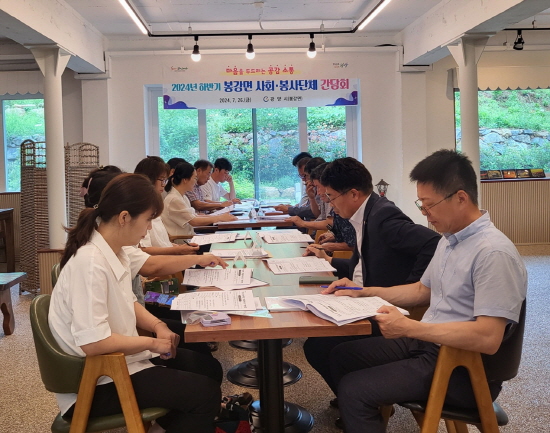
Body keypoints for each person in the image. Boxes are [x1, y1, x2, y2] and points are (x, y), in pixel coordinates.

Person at [324, 150, 527, 433]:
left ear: (460, 198)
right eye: (421, 204)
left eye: (429, 205)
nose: (424, 213)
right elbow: (422, 290)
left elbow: (488, 337)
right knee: (341, 356)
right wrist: (365, 292)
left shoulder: (493, 253)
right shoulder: (450, 239)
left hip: (463, 368)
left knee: (355, 390)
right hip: (431, 344)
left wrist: (410, 327)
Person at [49, 173, 225, 433]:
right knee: (205, 394)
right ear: (124, 218)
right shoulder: (90, 263)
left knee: (208, 368)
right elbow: (94, 342)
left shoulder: (115, 251)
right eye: (148, 220)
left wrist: (157, 326)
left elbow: (126, 301)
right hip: (95, 381)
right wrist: (152, 343)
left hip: (119, 362)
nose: (149, 228)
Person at [302, 157, 441, 405]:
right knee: (316, 331)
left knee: (319, 347)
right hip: (364, 298)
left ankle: (359, 402)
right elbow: (363, 265)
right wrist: (329, 260)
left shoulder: (383, 216)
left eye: (332, 197)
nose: (330, 204)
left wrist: (412, 288)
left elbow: (432, 243)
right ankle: (355, 400)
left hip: (383, 307)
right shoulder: (364, 214)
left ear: (354, 194)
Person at [134, 156, 200, 255]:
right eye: (162, 180)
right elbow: (144, 250)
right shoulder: (139, 209)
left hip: (170, 254)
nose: (164, 184)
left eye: (165, 180)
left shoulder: (153, 205)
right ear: (149, 179)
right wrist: (177, 250)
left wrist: (179, 247)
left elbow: (162, 242)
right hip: (162, 259)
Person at [162, 161, 236, 236]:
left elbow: (194, 215)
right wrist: (219, 218)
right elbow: (194, 221)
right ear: (185, 180)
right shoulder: (174, 199)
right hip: (184, 241)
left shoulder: (182, 197)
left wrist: (220, 216)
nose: (195, 182)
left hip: (190, 237)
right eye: (195, 178)